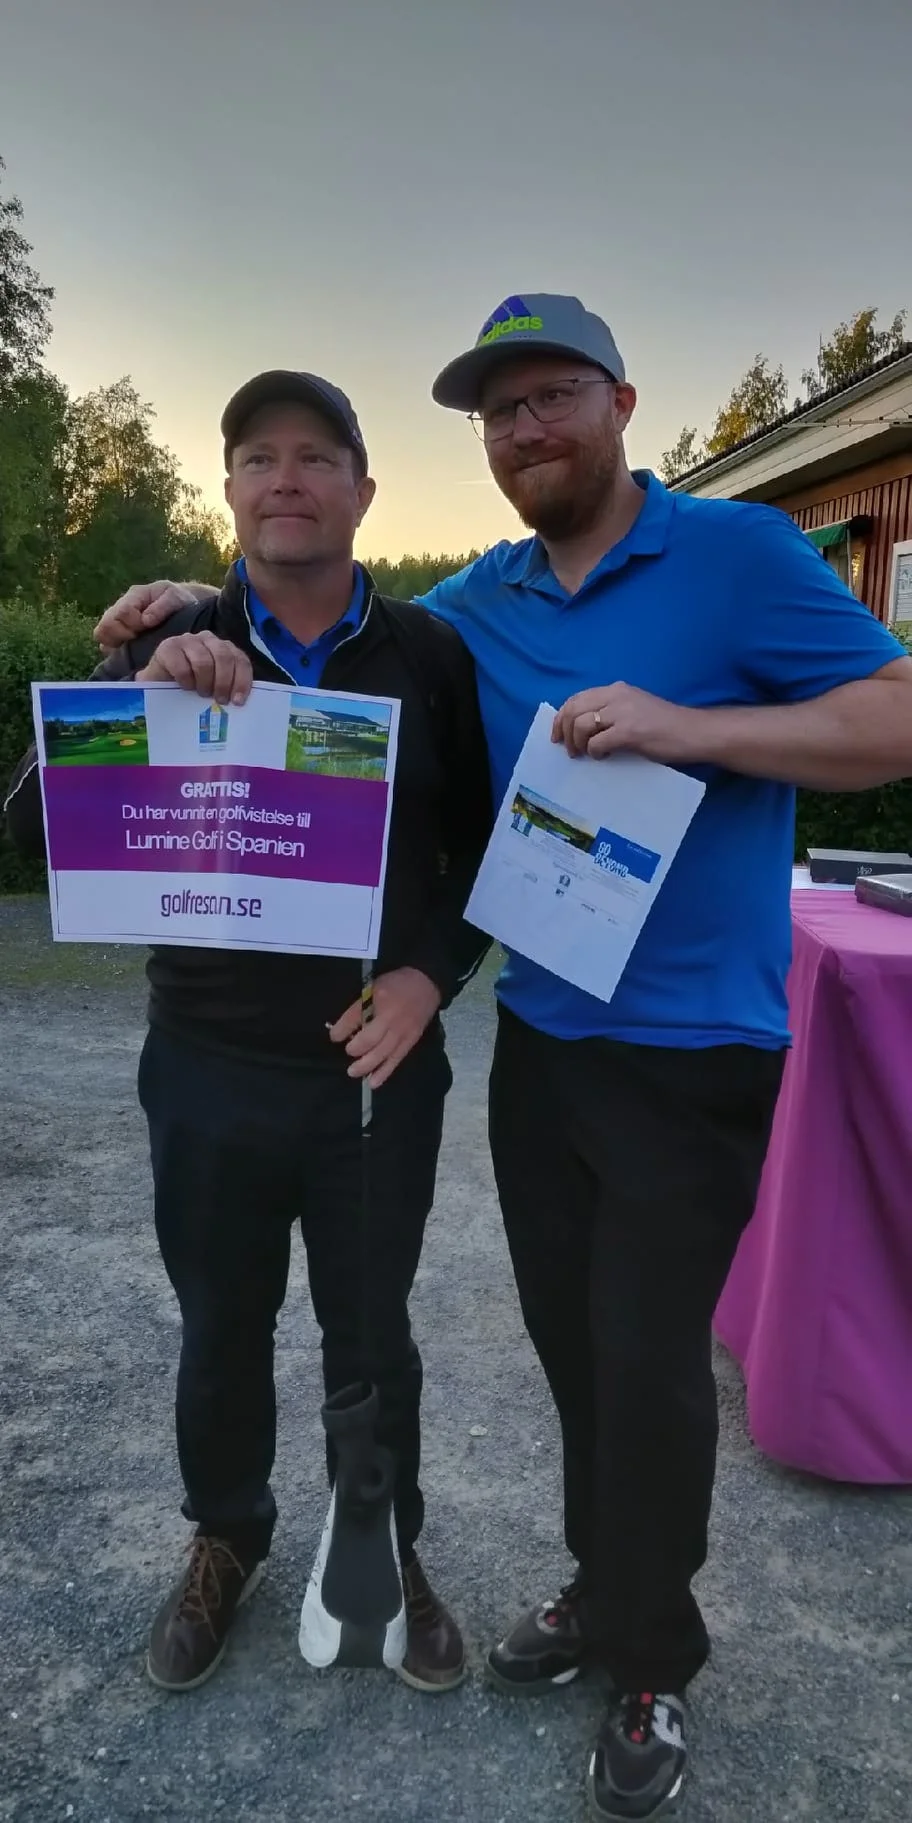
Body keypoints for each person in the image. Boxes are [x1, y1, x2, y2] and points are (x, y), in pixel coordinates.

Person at [88, 297, 912, 1821]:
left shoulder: (741, 553)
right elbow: (329, 625)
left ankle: (651, 1658)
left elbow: (896, 716)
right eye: (500, 410)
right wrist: (186, 606)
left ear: (621, 404)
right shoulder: (484, 601)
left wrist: (692, 728)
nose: (528, 428)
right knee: (576, 1353)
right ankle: (600, 1586)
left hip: (695, 1041)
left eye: (554, 396)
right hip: (547, 1031)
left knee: (649, 1362)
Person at [4, 368, 493, 1700]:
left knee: (373, 1334)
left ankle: (383, 1541)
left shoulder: (432, 656)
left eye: (317, 455)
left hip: (376, 1074)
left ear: (363, 490)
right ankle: (228, 1535)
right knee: (220, 1325)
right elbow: (35, 830)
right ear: (228, 490)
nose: (288, 477)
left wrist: (428, 976)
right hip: (206, 1068)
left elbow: (482, 852)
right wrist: (137, 695)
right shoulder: (168, 636)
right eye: (260, 456)